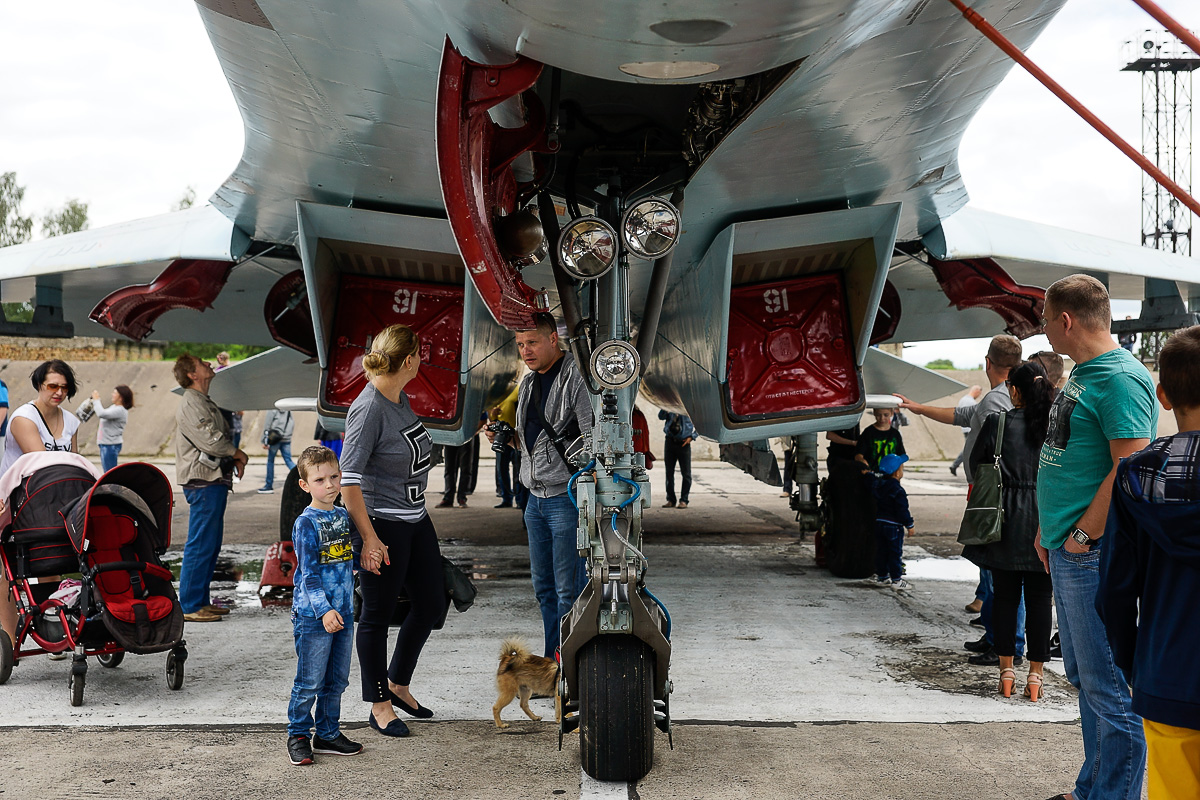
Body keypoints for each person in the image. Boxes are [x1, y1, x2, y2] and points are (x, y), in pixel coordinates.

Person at [1036, 274, 1156, 800]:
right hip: (1067, 547)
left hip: (1091, 553)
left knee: (1110, 689)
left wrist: (1082, 536)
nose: (1043, 329)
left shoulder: (1121, 379)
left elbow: (1129, 469)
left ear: (1065, 320)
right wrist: (1049, 528)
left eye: (1045, 319)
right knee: (1088, 683)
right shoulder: (1088, 372)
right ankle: (1094, 790)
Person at [1097, 325, 1200, 800]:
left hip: (1168, 675)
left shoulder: (1136, 476)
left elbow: (1115, 589)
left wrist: (1133, 661)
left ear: (1161, 394)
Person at [339, 323, 442, 738]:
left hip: (415, 518)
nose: (423, 357)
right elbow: (349, 480)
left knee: (432, 606)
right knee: (377, 616)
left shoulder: (397, 398)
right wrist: (368, 538)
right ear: (410, 360)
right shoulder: (369, 408)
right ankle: (379, 703)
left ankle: (398, 682)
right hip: (382, 524)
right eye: (420, 352)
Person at [897, 334, 1023, 653]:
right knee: (993, 567)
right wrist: (918, 408)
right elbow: (962, 416)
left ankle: (1003, 642)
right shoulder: (999, 396)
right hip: (997, 490)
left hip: (994, 492)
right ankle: (996, 634)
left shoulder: (997, 399)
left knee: (997, 569)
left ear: (988, 362)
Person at [487, 312, 593, 658]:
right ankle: (553, 659)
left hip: (565, 498)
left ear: (553, 339)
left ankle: (571, 665)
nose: (525, 350)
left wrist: (587, 475)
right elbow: (535, 441)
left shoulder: (576, 378)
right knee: (544, 589)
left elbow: (593, 436)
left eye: (532, 342)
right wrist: (507, 438)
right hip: (534, 500)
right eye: (520, 344)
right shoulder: (530, 382)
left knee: (568, 590)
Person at [963, 361, 1055, 700]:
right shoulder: (1057, 427)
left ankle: (1005, 672)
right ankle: (1035, 677)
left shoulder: (997, 423)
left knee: (1004, 598)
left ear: (1013, 390)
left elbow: (976, 466)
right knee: (1040, 600)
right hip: (1047, 520)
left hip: (1004, 522)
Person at [286, 445, 363, 766]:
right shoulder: (306, 523)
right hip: (315, 615)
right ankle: (299, 734)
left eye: (334, 476)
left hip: (343, 612)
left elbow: (345, 560)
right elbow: (309, 576)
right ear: (305, 486)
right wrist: (324, 610)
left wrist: (365, 560)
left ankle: (328, 732)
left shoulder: (342, 515)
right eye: (320, 480)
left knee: (337, 680)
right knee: (310, 681)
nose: (330, 485)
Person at [0, 360, 84, 648]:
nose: (58, 392)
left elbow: (73, 464)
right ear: (39, 385)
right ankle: (9, 640)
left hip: (54, 500)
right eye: (52, 386)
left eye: (64, 387)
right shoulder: (24, 418)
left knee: (52, 560)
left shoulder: (72, 421)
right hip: (20, 498)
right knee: (7, 570)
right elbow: (42, 463)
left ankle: (52, 628)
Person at [174, 354, 249, 623]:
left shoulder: (201, 401)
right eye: (201, 363)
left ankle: (200, 601)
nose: (207, 364)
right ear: (192, 375)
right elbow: (211, 440)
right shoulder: (192, 403)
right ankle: (191, 605)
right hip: (203, 481)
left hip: (211, 479)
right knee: (201, 543)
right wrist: (237, 453)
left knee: (210, 543)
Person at [861, 453, 914, 590]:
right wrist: (909, 525)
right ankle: (896, 580)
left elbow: (870, 480)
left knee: (881, 551)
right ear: (897, 473)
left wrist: (868, 474)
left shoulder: (878, 485)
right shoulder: (898, 490)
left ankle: (882, 576)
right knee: (894, 553)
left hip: (879, 523)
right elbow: (902, 511)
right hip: (894, 527)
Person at [78, 385, 134, 472]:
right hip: (107, 444)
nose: (112, 395)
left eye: (115, 393)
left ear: (121, 397)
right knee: (108, 471)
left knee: (109, 473)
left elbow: (101, 413)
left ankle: (112, 486)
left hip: (110, 445)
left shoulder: (120, 410)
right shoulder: (114, 407)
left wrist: (97, 400)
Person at [659, 409, 696, 508]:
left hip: (684, 442)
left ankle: (684, 500)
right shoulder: (670, 405)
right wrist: (665, 408)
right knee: (669, 473)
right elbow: (660, 417)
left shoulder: (689, 407)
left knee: (686, 473)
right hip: (670, 441)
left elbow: (702, 424)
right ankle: (671, 499)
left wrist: (692, 436)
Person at [853, 407, 905, 472]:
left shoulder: (895, 434)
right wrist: (863, 464)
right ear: (874, 413)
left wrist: (899, 472)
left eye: (886, 415)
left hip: (890, 476)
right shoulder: (868, 432)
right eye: (878, 415)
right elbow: (858, 455)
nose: (882, 418)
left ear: (892, 413)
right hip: (872, 475)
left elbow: (901, 456)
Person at [259, 408, 296, 494]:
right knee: (288, 460)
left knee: (270, 461)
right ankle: (302, 476)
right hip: (286, 438)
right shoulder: (288, 409)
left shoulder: (271, 409)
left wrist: (264, 440)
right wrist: (287, 435)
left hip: (275, 438)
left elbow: (267, 425)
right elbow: (291, 422)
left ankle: (269, 485)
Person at [949, 385, 982, 476]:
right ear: (977, 391)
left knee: (968, 449)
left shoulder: (963, 400)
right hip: (971, 428)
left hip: (964, 428)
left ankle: (955, 465)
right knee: (969, 450)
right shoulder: (971, 402)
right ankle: (956, 465)